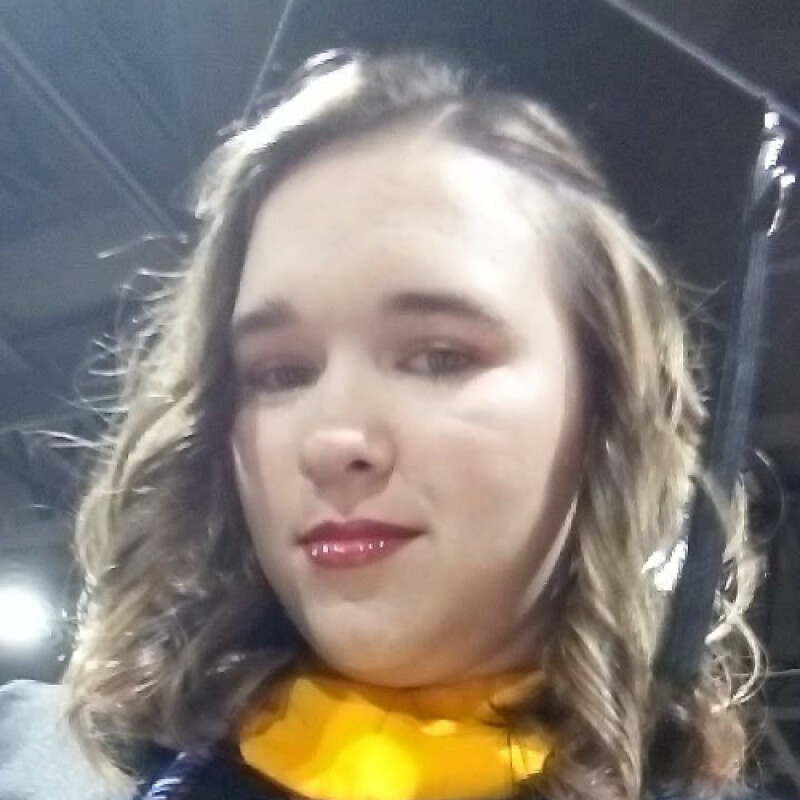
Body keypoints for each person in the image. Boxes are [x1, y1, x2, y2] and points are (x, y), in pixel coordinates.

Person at [0, 49, 762, 800]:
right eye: (279, 373)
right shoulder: (49, 772)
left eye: (438, 357)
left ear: (605, 405)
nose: (332, 442)